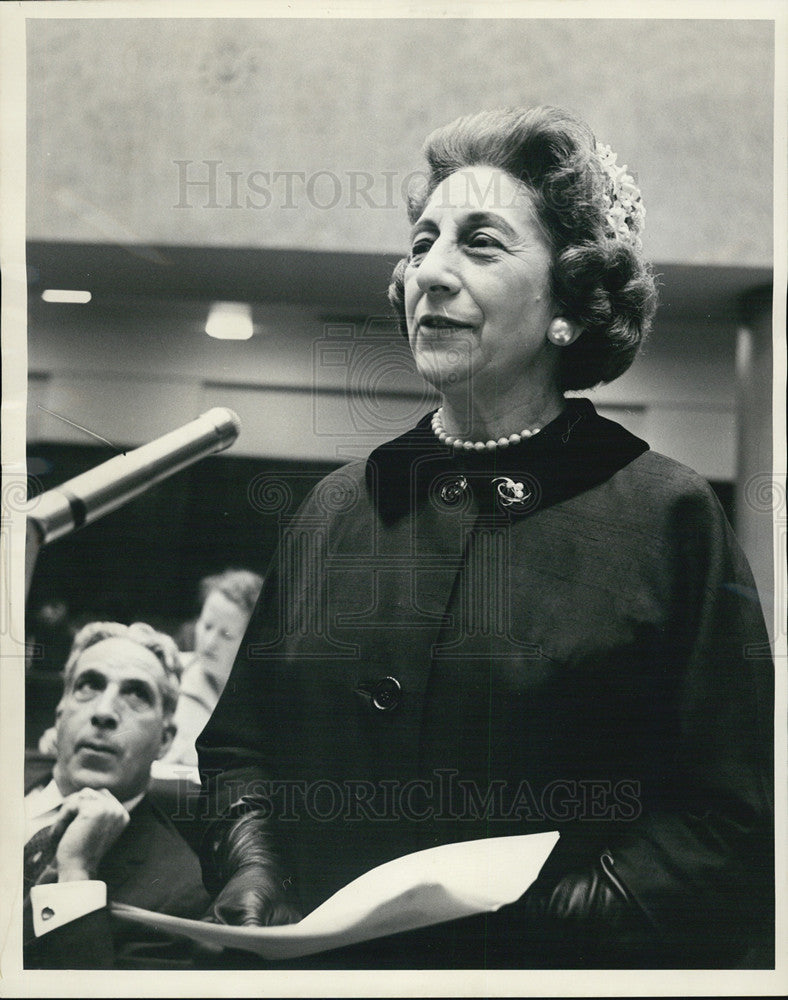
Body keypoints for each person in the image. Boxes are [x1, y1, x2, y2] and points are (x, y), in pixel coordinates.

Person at [195, 106, 773, 968]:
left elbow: (730, 820)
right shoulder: (332, 509)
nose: (431, 271)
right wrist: (252, 866)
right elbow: (242, 749)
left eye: (482, 243)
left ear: (570, 306)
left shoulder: (668, 518)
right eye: (423, 242)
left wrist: (560, 920)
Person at [24, 621, 210, 969]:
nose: (104, 712)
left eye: (136, 693)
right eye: (89, 685)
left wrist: (77, 874)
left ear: (166, 740)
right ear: (60, 712)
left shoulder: (180, 896)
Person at [161, 569, 263, 767]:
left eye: (226, 635)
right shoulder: (167, 676)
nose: (209, 643)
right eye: (207, 626)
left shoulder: (275, 700)